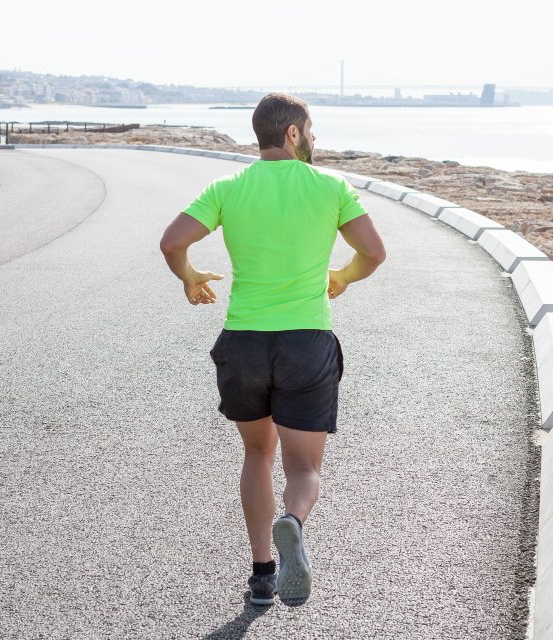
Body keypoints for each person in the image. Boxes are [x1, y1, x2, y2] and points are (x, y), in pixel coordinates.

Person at [159, 92, 386, 605]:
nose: (314, 140)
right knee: (303, 469)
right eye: (311, 131)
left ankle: (262, 574)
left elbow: (172, 242)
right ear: (291, 133)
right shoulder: (330, 186)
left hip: (243, 343)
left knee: (257, 453)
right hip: (306, 341)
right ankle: (293, 520)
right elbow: (373, 252)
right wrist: (343, 277)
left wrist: (191, 277)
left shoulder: (228, 186)